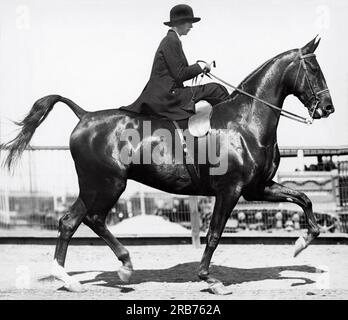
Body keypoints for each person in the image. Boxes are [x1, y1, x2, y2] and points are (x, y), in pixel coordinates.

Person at [120, 4, 229, 120]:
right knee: (217, 89)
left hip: (166, 94)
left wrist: (199, 68)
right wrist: (200, 66)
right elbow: (180, 74)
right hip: (167, 96)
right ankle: (226, 125)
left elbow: (179, 73)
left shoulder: (173, 40)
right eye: (189, 22)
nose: (191, 26)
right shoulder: (170, 41)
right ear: (179, 23)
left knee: (217, 89)